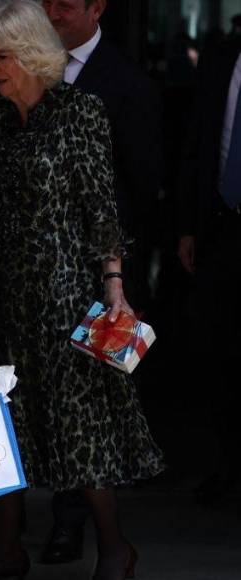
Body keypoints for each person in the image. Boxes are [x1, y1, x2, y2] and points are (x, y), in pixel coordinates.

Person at [0, 3, 164, 579]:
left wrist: (114, 284)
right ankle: (7, 547)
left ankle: (114, 546)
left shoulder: (81, 112)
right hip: (1, 294)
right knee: (4, 421)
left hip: (65, 295)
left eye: (2, 56)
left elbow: (101, 206)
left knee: (81, 426)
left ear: (32, 56)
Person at [37, 0, 165, 564]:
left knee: (90, 396)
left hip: (104, 265)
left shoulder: (126, 82)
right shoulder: (29, 68)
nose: (53, 12)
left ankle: (75, 521)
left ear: (97, 8)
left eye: (66, 3)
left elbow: (141, 182)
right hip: (42, 267)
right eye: (46, 2)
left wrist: (120, 270)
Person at [177, 28, 241, 506]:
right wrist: (188, 226)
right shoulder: (222, 57)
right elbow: (197, 142)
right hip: (222, 225)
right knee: (219, 349)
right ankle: (228, 463)